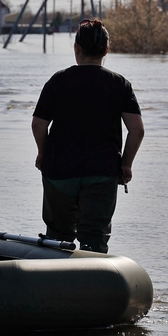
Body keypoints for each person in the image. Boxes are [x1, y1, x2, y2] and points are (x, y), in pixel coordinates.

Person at [31, 19, 143, 253]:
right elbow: (137, 130)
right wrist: (126, 165)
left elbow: (39, 124)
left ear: (76, 48)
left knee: (57, 237)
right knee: (94, 238)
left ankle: (52, 283)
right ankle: (93, 283)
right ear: (106, 50)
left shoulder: (58, 81)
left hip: (59, 171)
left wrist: (42, 152)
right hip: (101, 172)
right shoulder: (119, 84)